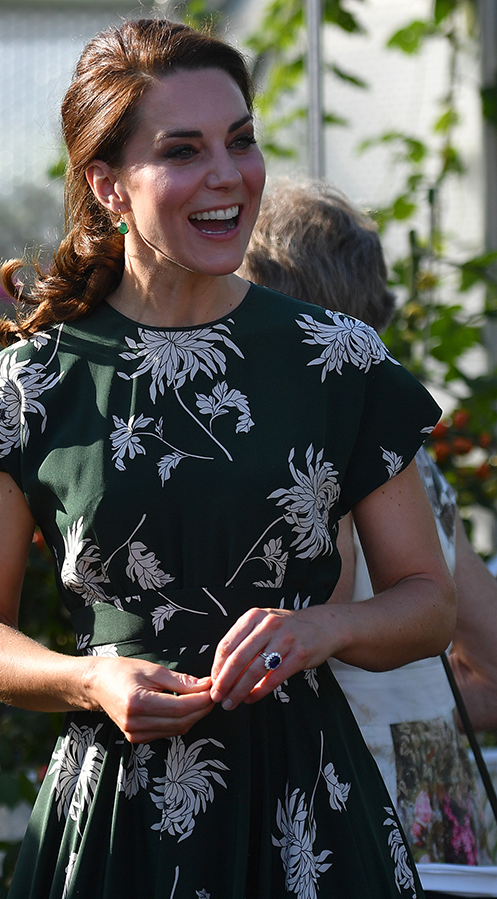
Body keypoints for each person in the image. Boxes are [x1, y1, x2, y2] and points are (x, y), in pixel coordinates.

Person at [0, 19, 456, 899]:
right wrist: (90, 677)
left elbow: (430, 604)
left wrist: (322, 626)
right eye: (184, 151)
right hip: (115, 820)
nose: (228, 175)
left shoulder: (340, 360)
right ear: (107, 185)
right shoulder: (28, 384)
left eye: (241, 140)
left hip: (309, 810)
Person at [240, 177, 497, 871]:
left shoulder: (306, 459)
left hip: (349, 822)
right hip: (446, 824)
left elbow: (310, 634)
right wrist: (415, 716)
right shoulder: (411, 462)